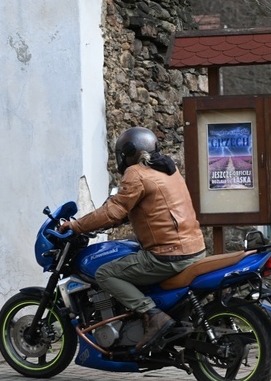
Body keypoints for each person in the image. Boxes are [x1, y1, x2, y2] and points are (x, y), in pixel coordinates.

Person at [60, 127, 206, 350]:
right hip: (194, 248)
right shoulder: (168, 169)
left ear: (128, 152)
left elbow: (113, 211)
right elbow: (153, 207)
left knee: (105, 273)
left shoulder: (136, 173)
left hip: (168, 255)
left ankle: (153, 315)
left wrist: (77, 225)